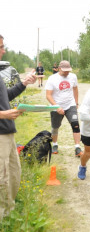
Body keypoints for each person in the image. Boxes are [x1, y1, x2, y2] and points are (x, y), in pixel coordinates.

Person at [0, 34, 37, 220]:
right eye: (0, 47)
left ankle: (10, 214)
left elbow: (5, 97)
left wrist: (23, 84)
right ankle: (4, 219)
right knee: (2, 179)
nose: (4, 50)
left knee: (14, 174)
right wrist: (2, 114)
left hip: (8, 132)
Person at [45, 60, 82, 157]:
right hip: (56, 106)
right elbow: (48, 95)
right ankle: (55, 144)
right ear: (59, 69)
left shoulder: (73, 76)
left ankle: (77, 147)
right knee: (55, 127)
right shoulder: (52, 78)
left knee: (75, 124)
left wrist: (76, 102)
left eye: (68, 70)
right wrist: (57, 107)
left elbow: (75, 88)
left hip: (70, 104)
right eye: (65, 71)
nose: (67, 73)